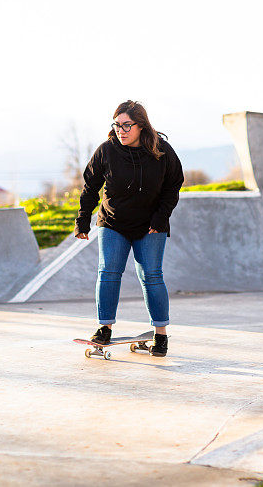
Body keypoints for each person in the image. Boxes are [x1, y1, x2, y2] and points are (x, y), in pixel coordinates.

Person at [75, 100, 184, 356]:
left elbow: (173, 185)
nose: (121, 130)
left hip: (150, 226)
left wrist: (160, 218)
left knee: (152, 276)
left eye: (127, 125)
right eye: (117, 125)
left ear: (141, 125)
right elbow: (90, 186)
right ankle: (105, 328)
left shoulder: (162, 151)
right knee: (108, 272)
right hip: (113, 223)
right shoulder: (107, 151)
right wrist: (83, 220)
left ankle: (161, 335)